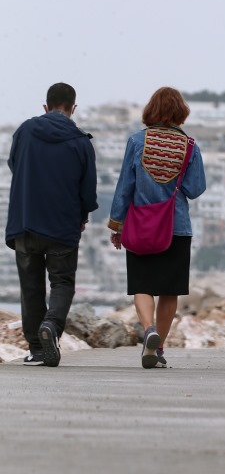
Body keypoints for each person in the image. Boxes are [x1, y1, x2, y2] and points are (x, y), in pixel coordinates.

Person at [109, 87, 205, 369]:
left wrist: (117, 224)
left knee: (142, 285)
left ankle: (148, 328)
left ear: (151, 109)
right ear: (180, 111)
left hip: (141, 225)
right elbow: (195, 188)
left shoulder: (137, 141)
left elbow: (125, 186)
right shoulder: (189, 146)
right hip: (177, 227)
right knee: (169, 291)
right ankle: (157, 347)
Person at [7, 83, 98, 367]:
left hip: (25, 221)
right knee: (62, 282)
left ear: (45, 107)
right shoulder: (81, 141)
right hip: (61, 226)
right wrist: (82, 217)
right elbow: (88, 190)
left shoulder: (24, 131)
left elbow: (13, 164)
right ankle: (51, 327)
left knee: (30, 287)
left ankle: (36, 349)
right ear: (73, 108)